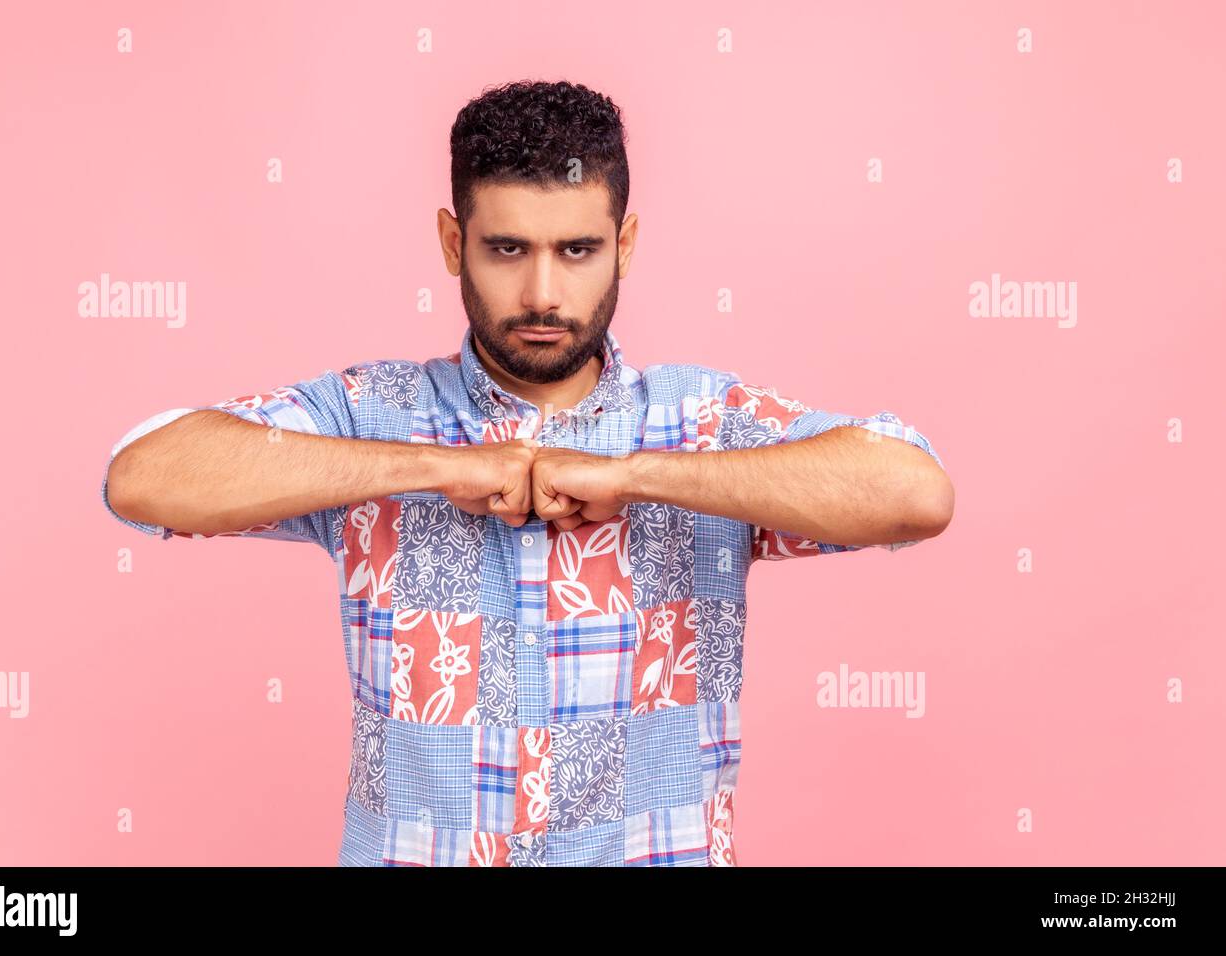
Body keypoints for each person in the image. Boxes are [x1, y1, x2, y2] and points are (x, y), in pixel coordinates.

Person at [101, 79, 954, 867]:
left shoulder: (701, 421)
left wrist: (640, 476)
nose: (543, 293)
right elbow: (146, 476)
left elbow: (915, 493)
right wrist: (434, 467)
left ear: (625, 244)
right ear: (451, 241)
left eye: (578, 249)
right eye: (507, 248)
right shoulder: (368, 414)